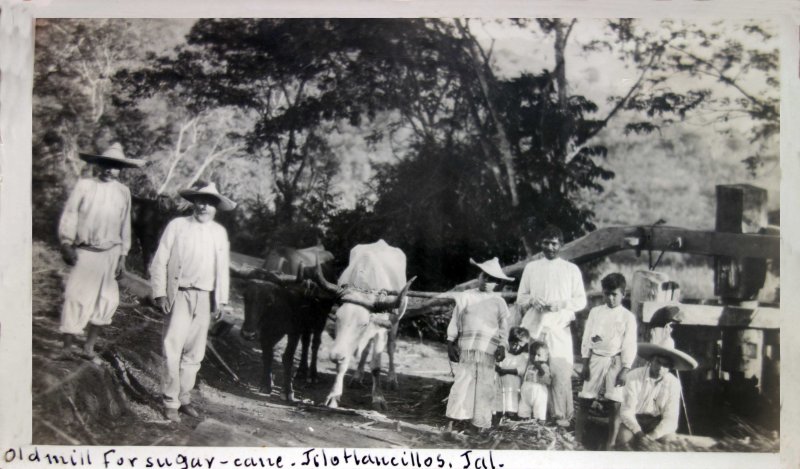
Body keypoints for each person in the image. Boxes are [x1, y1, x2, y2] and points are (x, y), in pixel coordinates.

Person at [149, 181, 235, 422]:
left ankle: (184, 397)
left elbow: (222, 270)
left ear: (216, 207)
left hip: (205, 297)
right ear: (193, 202)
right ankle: (170, 402)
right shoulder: (178, 226)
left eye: (209, 202)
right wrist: (160, 292)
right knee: (172, 347)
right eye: (200, 200)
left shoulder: (219, 233)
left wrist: (222, 300)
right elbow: (160, 260)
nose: (204, 206)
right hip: (180, 294)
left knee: (195, 353)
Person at [55, 143, 145, 361]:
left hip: (111, 253)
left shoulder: (123, 192)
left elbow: (125, 226)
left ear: (120, 170)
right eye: (105, 164)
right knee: (76, 296)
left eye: (114, 166)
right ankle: (67, 348)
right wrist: (66, 243)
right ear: (98, 165)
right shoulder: (85, 185)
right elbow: (70, 215)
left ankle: (88, 347)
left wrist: (123, 256)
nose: (109, 170)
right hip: (86, 250)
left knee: (107, 300)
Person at [516, 225, 587, 426]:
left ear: (561, 245)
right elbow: (521, 297)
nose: (549, 247)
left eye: (554, 243)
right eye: (546, 243)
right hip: (535, 327)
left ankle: (561, 416)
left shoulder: (570, 269)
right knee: (532, 369)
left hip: (559, 327)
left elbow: (581, 301)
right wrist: (532, 301)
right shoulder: (532, 267)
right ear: (541, 244)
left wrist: (561, 304)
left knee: (560, 370)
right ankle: (529, 415)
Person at [446, 257, 513, 431]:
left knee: (485, 386)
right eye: (485, 277)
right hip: (467, 348)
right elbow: (455, 320)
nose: (487, 282)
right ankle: (454, 421)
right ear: (479, 276)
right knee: (462, 383)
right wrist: (450, 342)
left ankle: (479, 424)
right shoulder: (466, 297)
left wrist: (502, 345)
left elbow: (504, 329)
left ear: (497, 283)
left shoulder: (499, 302)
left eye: (492, 280)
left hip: (487, 351)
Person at [575, 273, 637, 449]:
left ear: (623, 294)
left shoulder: (627, 317)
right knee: (586, 399)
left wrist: (625, 368)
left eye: (614, 294)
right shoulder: (596, 312)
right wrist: (585, 363)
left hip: (616, 360)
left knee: (615, 403)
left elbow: (629, 344)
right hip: (595, 358)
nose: (610, 298)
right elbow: (587, 338)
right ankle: (577, 439)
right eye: (606, 293)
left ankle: (610, 443)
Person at [617, 343, 698, 448]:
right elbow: (627, 411)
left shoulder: (673, 383)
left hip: (656, 422)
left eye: (665, 365)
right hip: (634, 419)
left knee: (669, 443)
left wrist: (652, 436)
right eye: (658, 362)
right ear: (651, 360)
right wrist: (639, 433)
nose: (660, 368)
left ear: (670, 368)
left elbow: (671, 418)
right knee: (624, 442)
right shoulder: (633, 376)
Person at [493, 326, 531, 422]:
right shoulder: (503, 352)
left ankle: (511, 414)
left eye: (520, 345)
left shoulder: (524, 356)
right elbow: (496, 362)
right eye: (514, 344)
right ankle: (498, 413)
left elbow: (521, 370)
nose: (516, 347)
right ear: (509, 341)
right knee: (499, 395)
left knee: (512, 396)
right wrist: (497, 368)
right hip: (500, 379)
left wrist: (505, 371)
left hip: (513, 381)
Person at [518, 340, 552, 423]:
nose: (536, 357)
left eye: (539, 355)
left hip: (539, 392)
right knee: (523, 410)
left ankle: (539, 426)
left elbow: (547, 380)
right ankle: (524, 422)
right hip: (526, 392)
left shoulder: (544, 367)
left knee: (540, 410)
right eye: (533, 354)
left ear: (546, 356)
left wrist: (539, 367)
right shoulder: (529, 365)